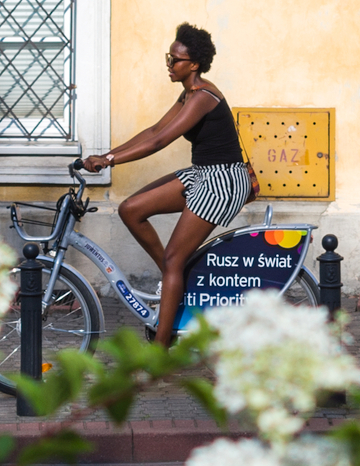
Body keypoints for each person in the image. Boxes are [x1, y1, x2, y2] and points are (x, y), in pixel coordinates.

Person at [82, 23, 255, 346]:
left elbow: (161, 141)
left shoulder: (204, 96)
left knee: (176, 259)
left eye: (175, 59)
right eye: (168, 57)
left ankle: (160, 351)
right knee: (131, 209)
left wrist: (112, 162)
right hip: (202, 174)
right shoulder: (188, 92)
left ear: (194, 64)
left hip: (223, 180)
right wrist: (106, 154)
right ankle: (172, 276)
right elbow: (153, 129)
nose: (169, 64)